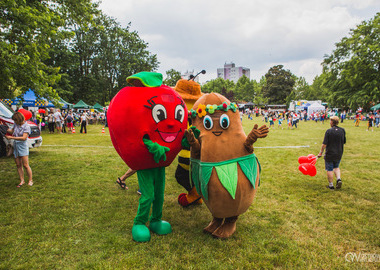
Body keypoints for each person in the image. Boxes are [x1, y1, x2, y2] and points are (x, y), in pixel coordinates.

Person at [5, 112, 33, 187]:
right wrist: (4, 128)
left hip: (23, 146)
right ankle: (22, 180)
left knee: (26, 165)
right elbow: (12, 131)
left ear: (19, 119)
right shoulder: (16, 124)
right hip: (16, 145)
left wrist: (11, 137)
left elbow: (24, 138)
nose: (14, 122)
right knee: (18, 164)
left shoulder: (26, 126)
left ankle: (30, 180)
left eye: (15, 120)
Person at [317, 116, 346, 190]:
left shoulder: (329, 131)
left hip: (330, 153)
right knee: (336, 167)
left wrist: (320, 152)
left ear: (332, 122)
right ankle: (338, 179)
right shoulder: (342, 130)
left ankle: (331, 185)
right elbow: (344, 141)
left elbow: (324, 144)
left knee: (329, 169)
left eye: (330, 121)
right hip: (339, 152)